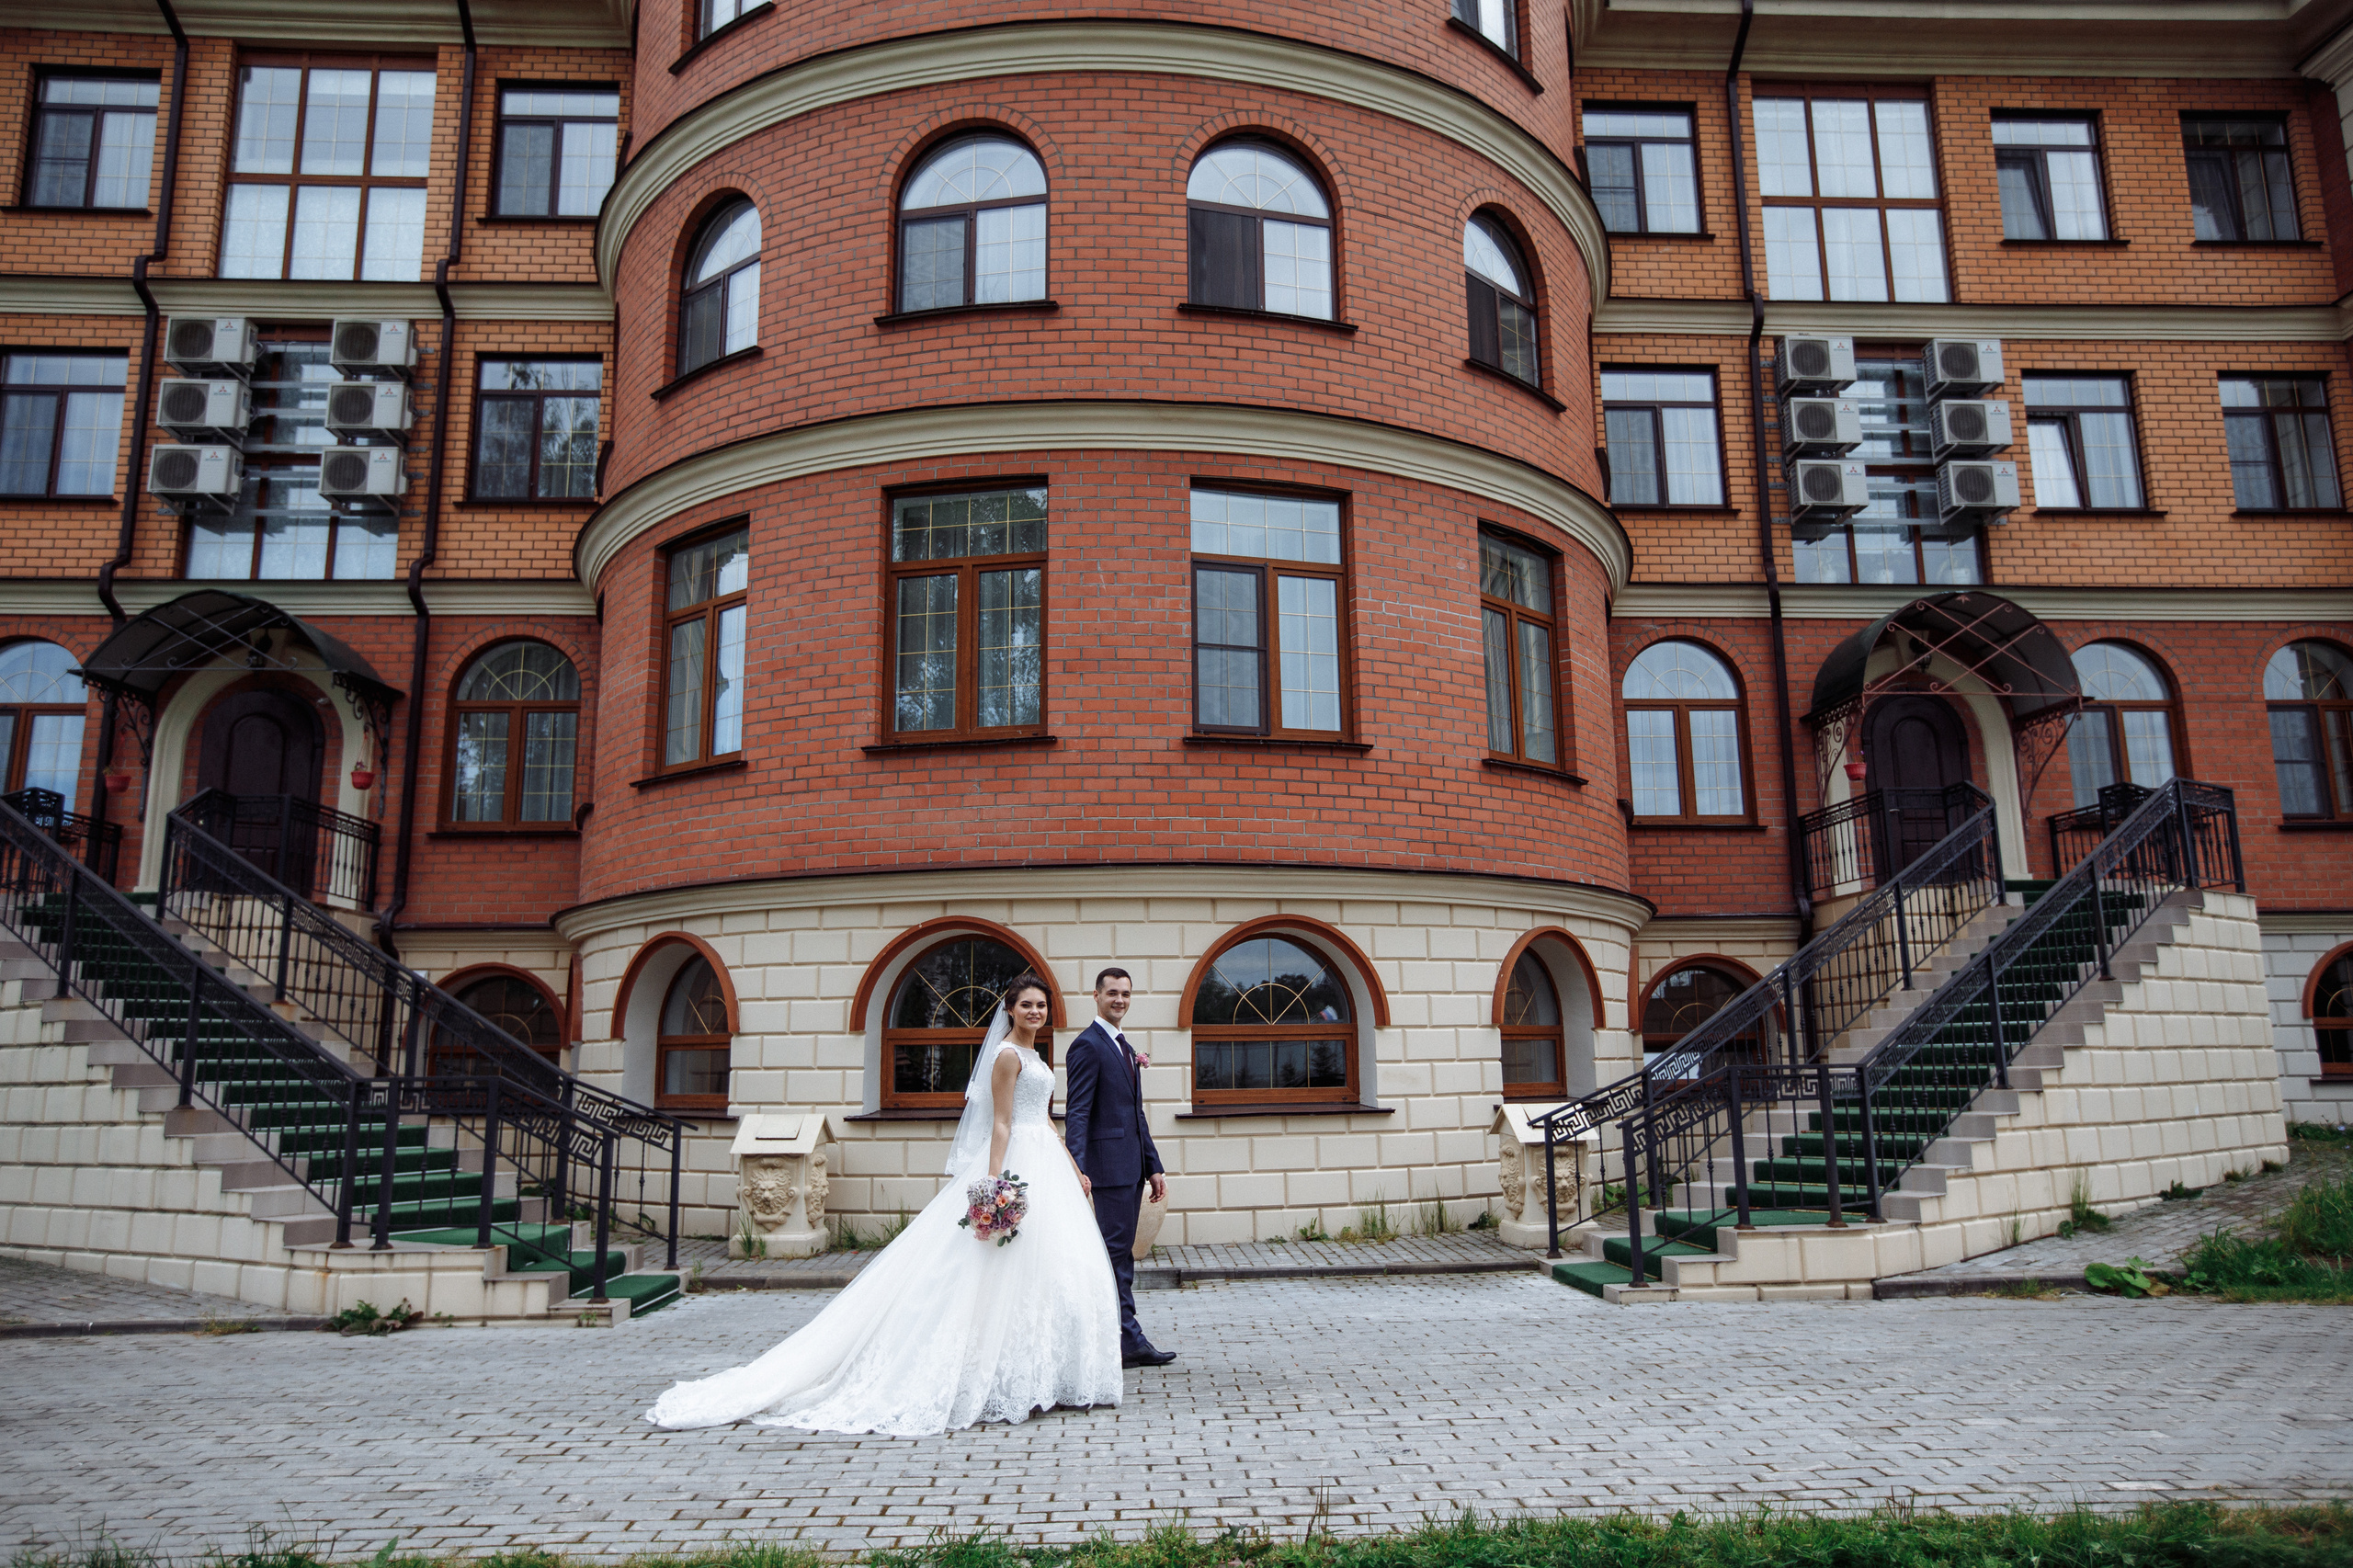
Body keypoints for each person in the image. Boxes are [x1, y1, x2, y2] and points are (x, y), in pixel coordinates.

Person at [642, 975, 1120, 1435]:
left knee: (1048, 1268)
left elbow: (1045, 1120)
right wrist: (995, 1183)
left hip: (1047, 1159)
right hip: (1015, 1160)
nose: (1035, 1012)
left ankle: (1042, 1376)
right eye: (1026, 1005)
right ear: (1010, 1010)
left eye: (1041, 1006)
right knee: (997, 1268)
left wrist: (1073, 1167)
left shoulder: (1038, 1056)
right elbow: (1001, 1124)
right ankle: (1000, 1379)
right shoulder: (1006, 1056)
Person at [1063, 966, 1176, 1369]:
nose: (1120, 1001)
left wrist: (1154, 1166)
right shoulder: (1087, 1046)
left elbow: (1136, 1115)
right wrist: (1075, 1171)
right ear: (1096, 996)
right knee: (1113, 1257)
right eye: (1112, 993)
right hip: (1106, 1172)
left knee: (1121, 1256)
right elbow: (1076, 1114)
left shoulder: (1125, 1047)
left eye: (1125, 994)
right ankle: (1126, 1340)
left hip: (1130, 1169)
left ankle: (1121, 1338)